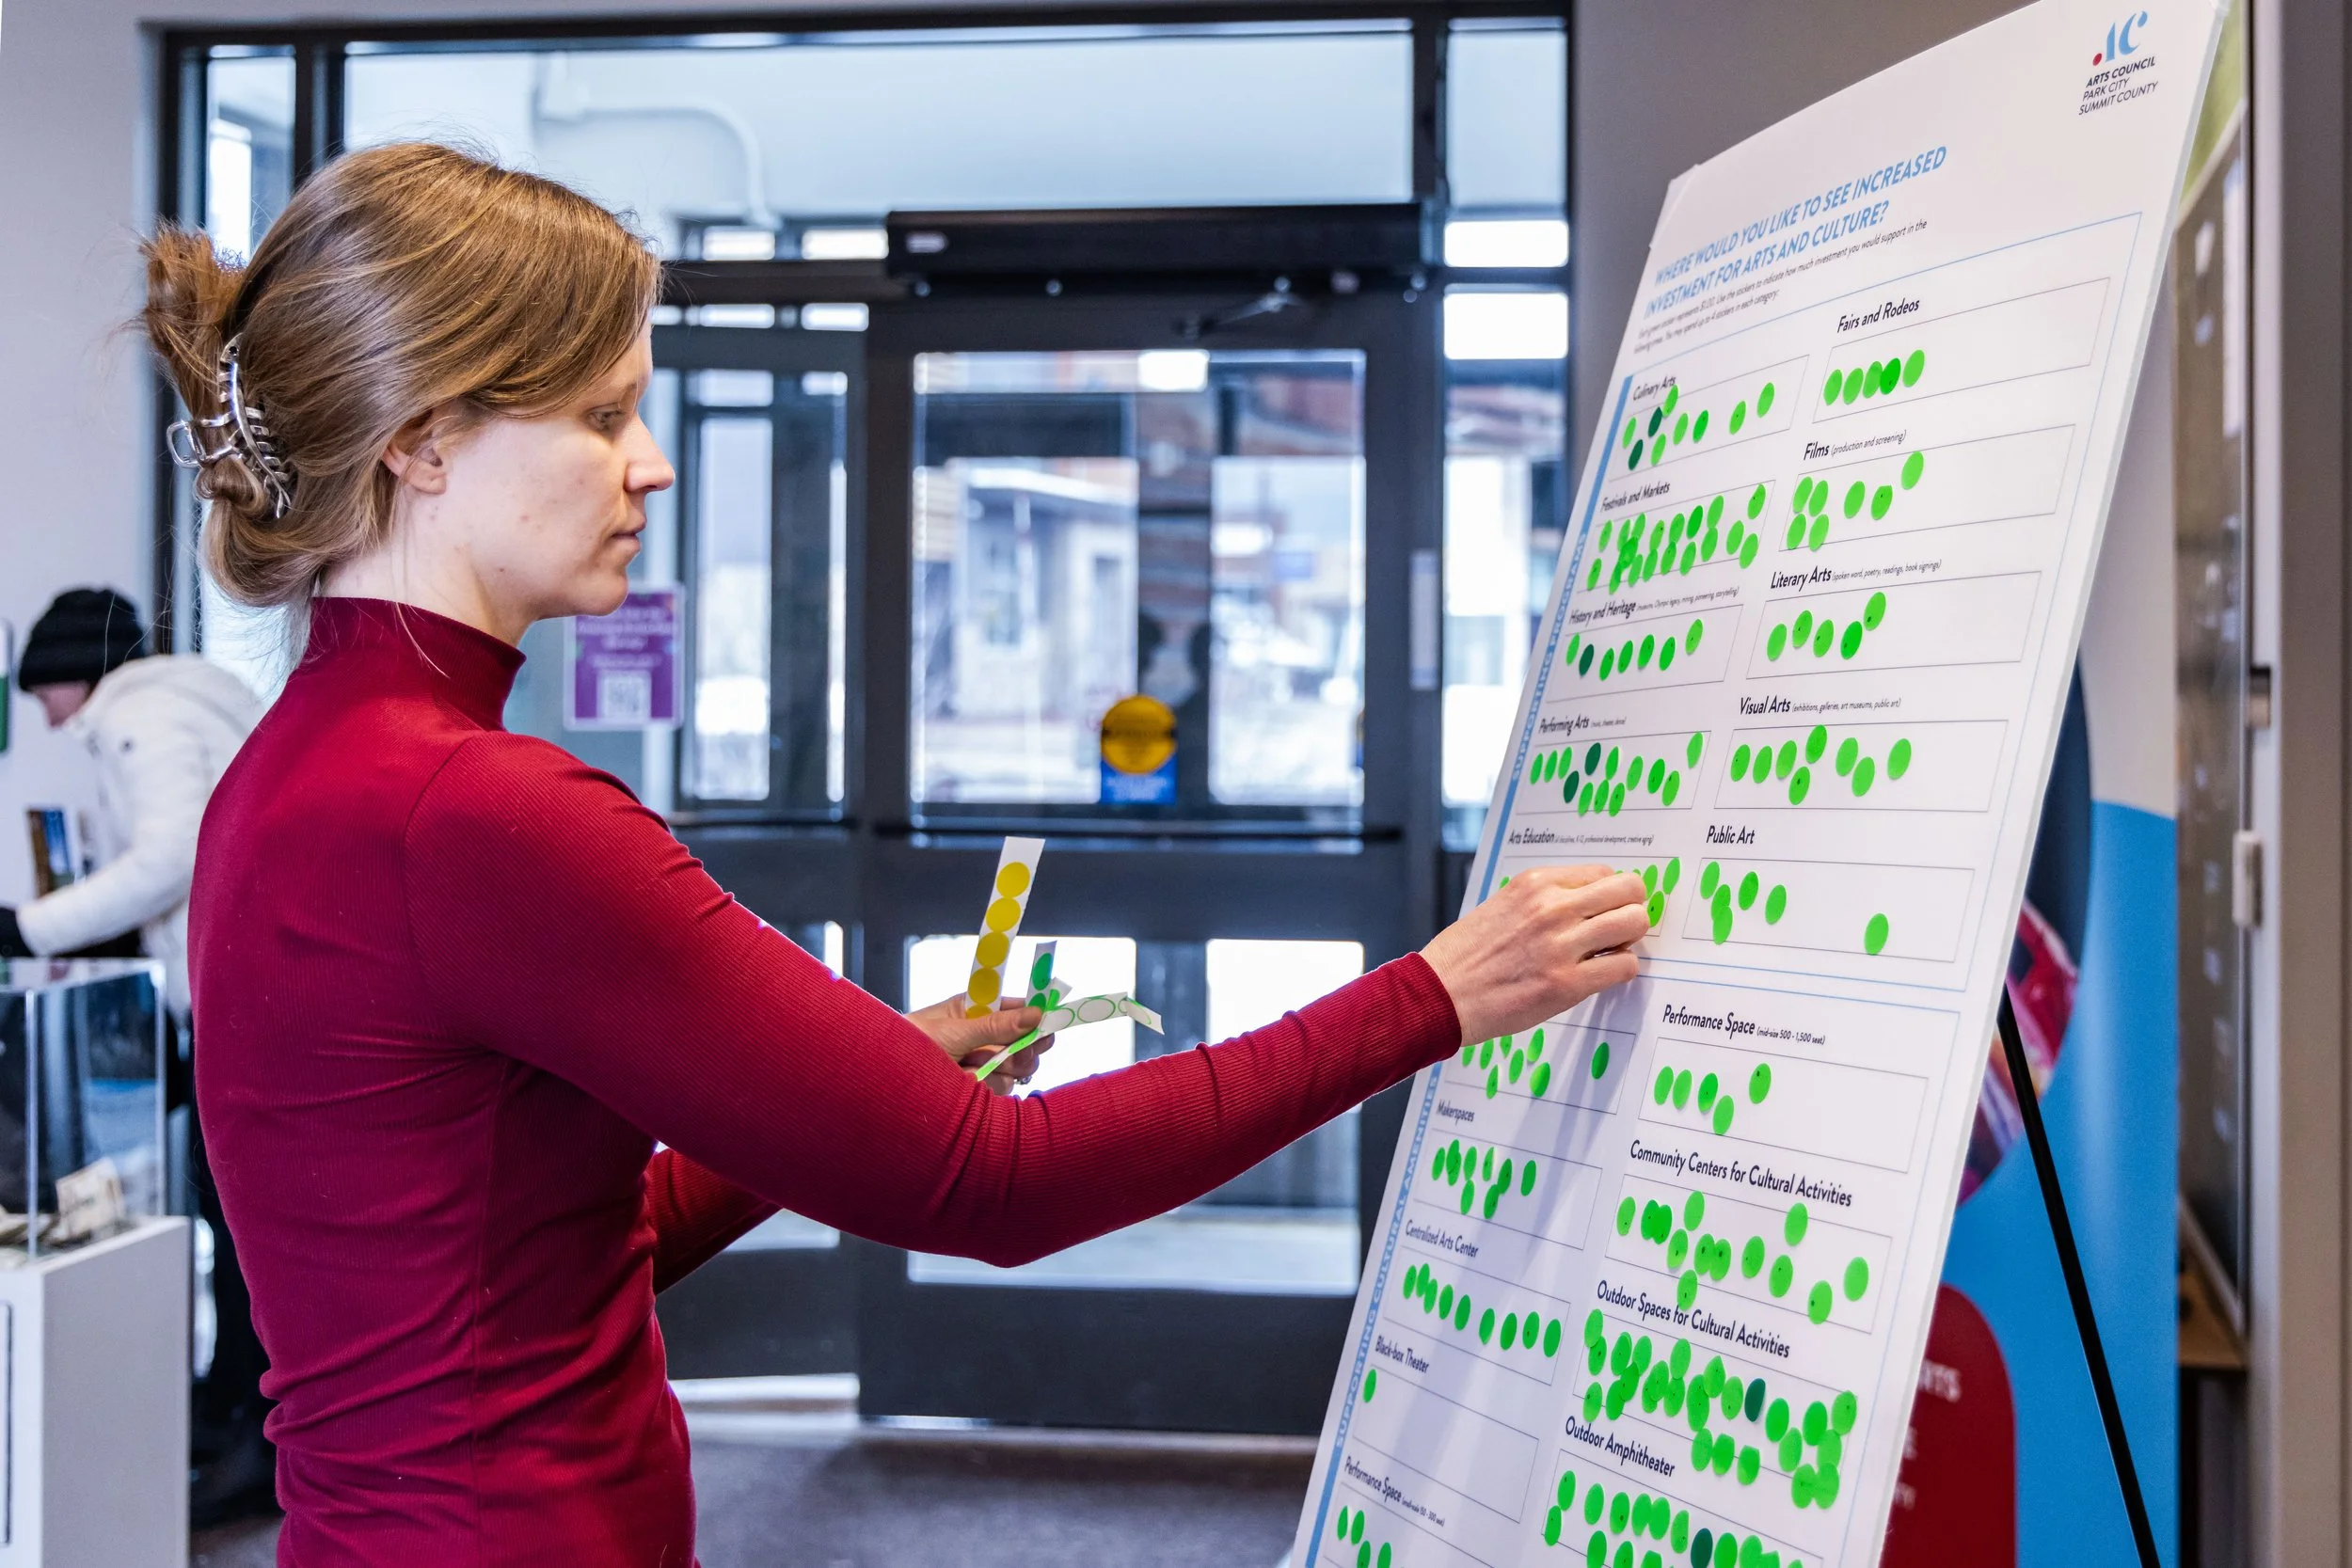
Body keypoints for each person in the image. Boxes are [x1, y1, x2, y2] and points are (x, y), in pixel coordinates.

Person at [150, 142, 1651, 1566]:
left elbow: (549, 1256)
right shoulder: (479, 810)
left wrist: (876, 1070)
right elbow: (1001, 1186)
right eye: (603, 416)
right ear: (420, 439)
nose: (652, 465)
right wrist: (1435, 995)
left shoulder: (285, 776)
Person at [0, 589, 273, 1525]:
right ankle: (230, 1408)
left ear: (75, 673)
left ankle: (250, 1435)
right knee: (235, 1230)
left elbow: (169, 855)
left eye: (45, 692)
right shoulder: (192, 702)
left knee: (236, 1233)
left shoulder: (137, 718)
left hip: (236, 1008)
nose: (43, 712)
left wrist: (24, 926)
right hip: (254, 1000)